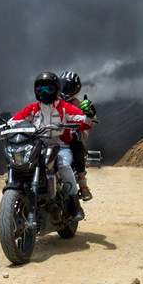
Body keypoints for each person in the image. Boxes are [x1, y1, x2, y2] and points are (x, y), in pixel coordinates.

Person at [0, 72, 93, 221]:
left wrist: (89, 116)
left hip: (60, 145)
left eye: (48, 89)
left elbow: (83, 121)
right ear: (36, 91)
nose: (44, 93)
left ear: (56, 90)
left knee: (63, 165)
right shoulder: (32, 109)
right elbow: (14, 121)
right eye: (41, 89)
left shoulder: (65, 107)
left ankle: (75, 206)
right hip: (38, 144)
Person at [58, 71, 96, 201]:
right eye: (63, 85)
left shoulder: (79, 106)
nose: (65, 90)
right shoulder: (50, 102)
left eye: (69, 87)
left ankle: (83, 185)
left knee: (77, 146)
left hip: (69, 140)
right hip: (51, 138)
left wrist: (78, 133)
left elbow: (86, 127)